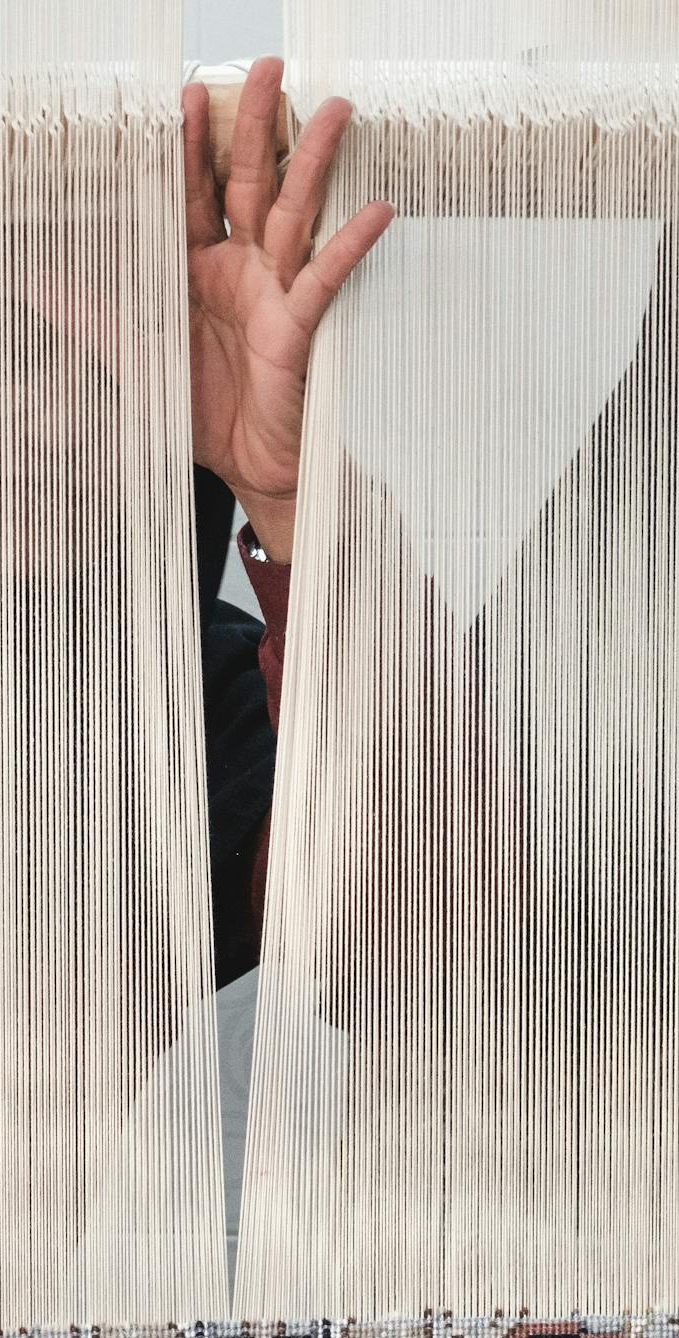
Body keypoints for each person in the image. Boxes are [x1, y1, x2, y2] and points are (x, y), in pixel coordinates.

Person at [181, 59, 393, 978]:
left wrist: (291, 498)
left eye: (109, 368)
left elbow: (404, 928)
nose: (41, 411)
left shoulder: (208, 713)